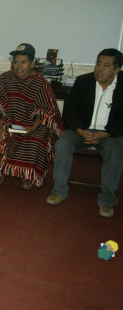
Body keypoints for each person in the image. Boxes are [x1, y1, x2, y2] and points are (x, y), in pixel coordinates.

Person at [46, 49, 123, 218]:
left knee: (115, 150)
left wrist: (106, 134)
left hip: (108, 134)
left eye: (106, 65)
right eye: (98, 64)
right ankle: (59, 191)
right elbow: (70, 112)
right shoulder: (83, 82)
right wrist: (81, 130)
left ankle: (107, 200)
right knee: (63, 144)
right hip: (81, 130)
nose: (99, 69)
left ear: (117, 70)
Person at [0, 43, 62, 189]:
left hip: (33, 125)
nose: (18, 66)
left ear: (32, 64)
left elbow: (47, 110)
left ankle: (28, 174)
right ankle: (1, 169)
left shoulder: (40, 82)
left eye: (23, 62)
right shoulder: (5, 78)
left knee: (37, 140)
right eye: (15, 62)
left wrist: (32, 127)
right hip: (8, 122)